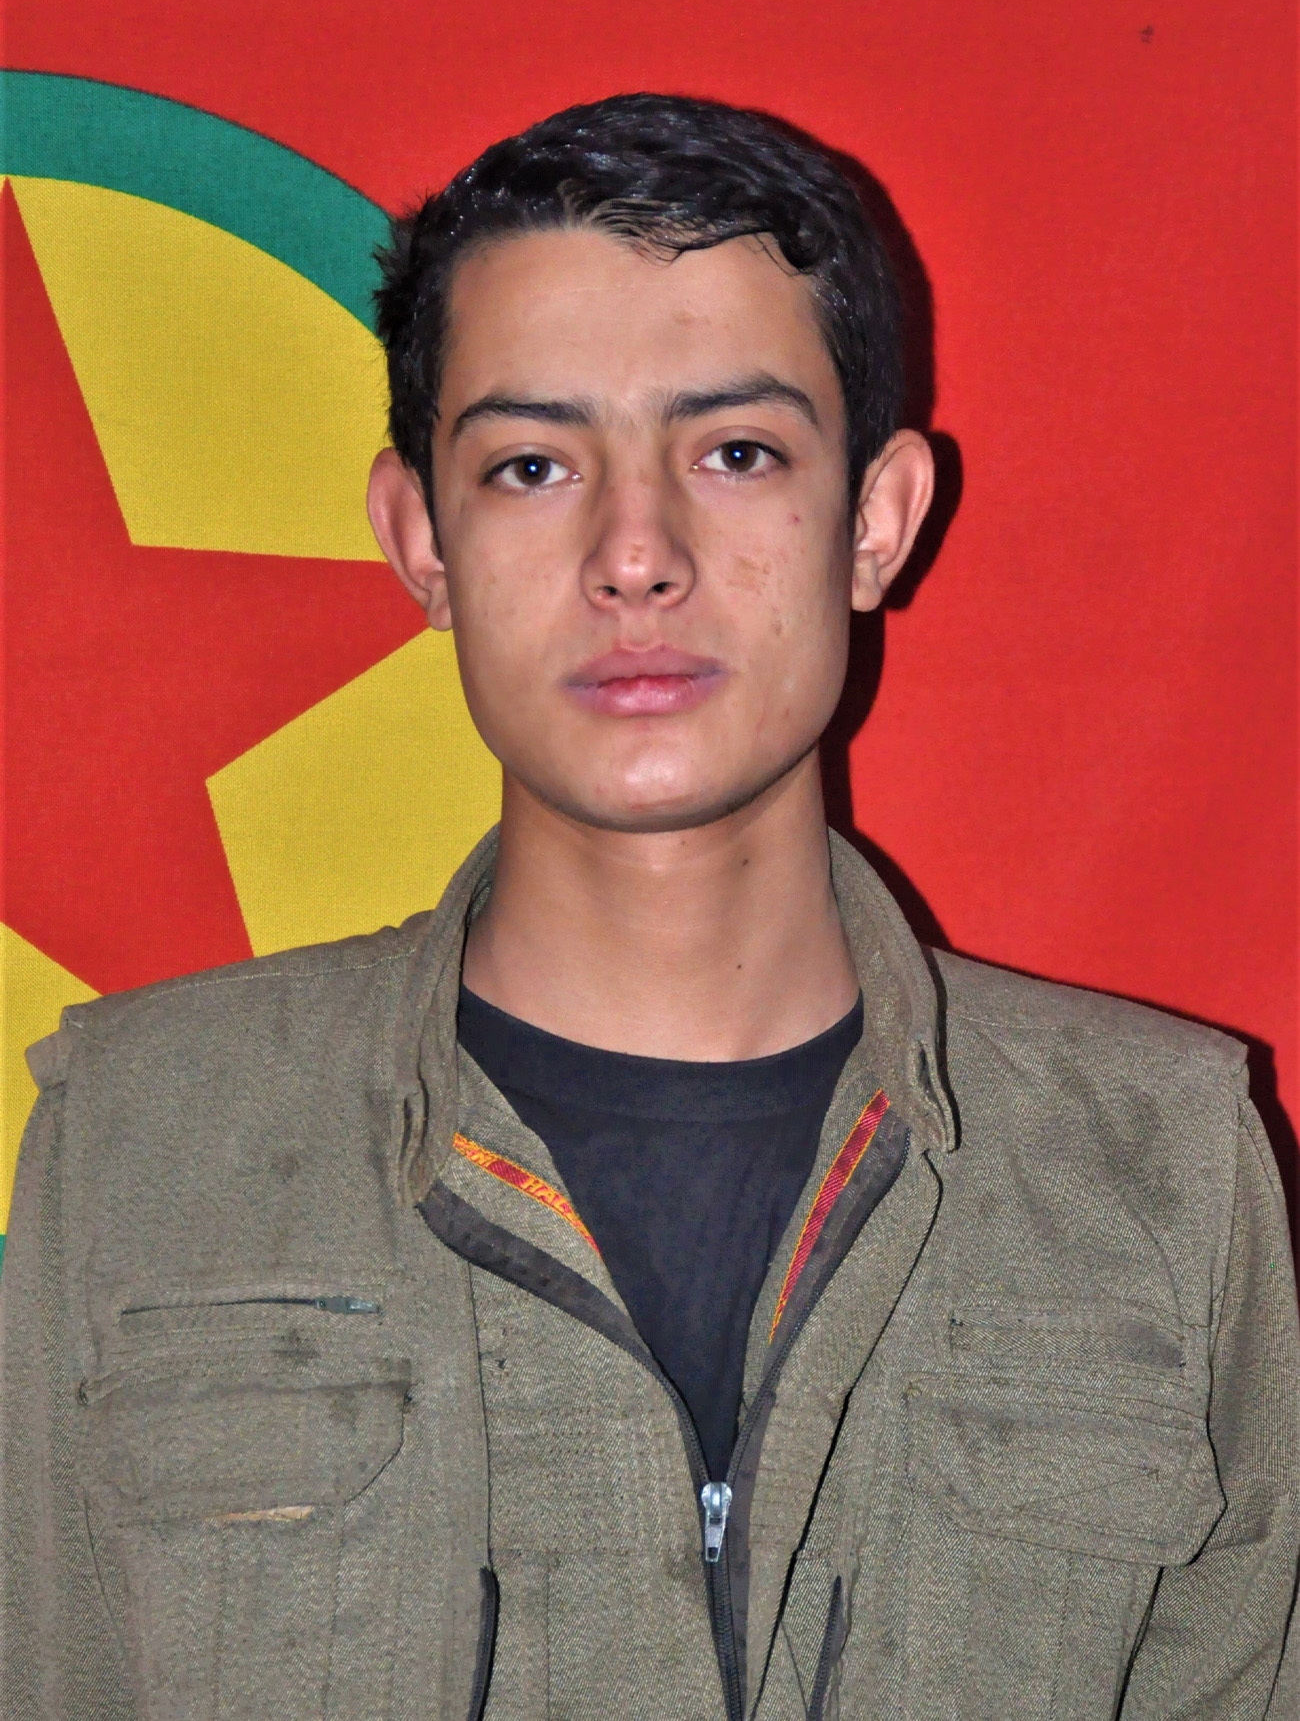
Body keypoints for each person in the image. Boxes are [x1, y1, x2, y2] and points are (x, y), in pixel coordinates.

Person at [2, 93, 1296, 1721]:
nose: (636, 553)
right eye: (533, 464)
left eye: (736, 452)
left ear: (876, 520)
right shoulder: (145, 1148)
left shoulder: (1162, 1172)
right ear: (421, 538)